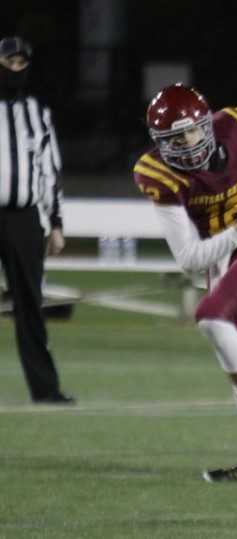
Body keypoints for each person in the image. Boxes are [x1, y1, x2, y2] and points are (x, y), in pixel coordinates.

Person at [133, 83, 237, 481]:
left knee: (210, 315)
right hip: (224, 251)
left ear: (207, 123)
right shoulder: (158, 175)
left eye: (191, 131)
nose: (188, 143)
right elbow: (190, 258)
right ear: (159, 142)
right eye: (174, 138)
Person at [0, 36, 71, 404]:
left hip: (24, 217)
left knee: (30, 304)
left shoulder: (37, 112)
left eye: (20, 64)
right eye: (8, 63)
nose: (14, 70)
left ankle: (45, 389)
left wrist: (55, 223)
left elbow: (49, 169)